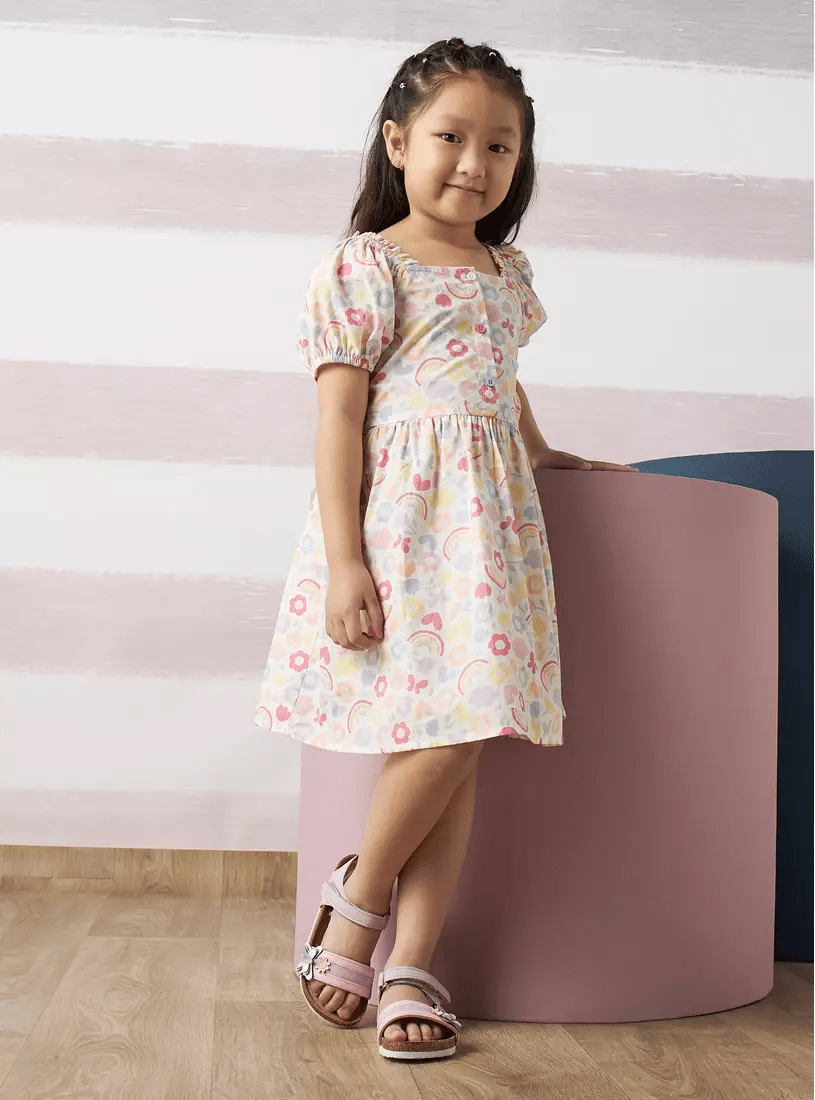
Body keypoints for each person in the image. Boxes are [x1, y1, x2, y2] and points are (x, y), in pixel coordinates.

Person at [253, 37, 638, 1061]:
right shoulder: (368, 263)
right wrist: (346, 561)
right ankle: (364, 899)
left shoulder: (505, 273)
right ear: (397, 142)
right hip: (406, 527)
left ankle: (408, 957)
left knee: (468, 726)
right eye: (451, 138)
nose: (475, 163)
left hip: (489, 530)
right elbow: (339, 418)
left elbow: (496, 373)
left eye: (500, 146)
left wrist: (540, 451)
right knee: (448, 730)